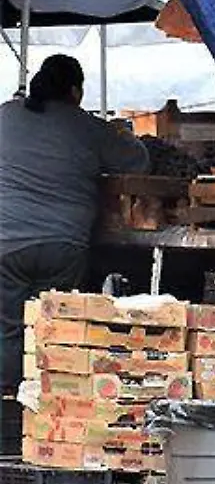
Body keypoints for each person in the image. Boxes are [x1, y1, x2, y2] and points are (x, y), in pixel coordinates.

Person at [0, 55, 149, 455]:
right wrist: (122, 133)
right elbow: (138, 161)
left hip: (6, 243)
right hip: (65, 245)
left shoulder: (6, 115)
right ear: (75, 91)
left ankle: (8, 424)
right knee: (54, 334)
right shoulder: (88, 127)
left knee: (8, 330)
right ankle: (48, 420)